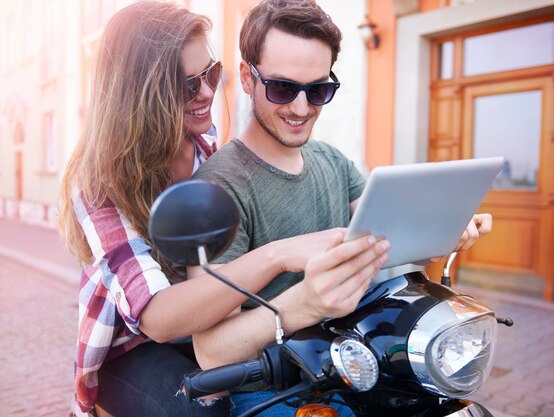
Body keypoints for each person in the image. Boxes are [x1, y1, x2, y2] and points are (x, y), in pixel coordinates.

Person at [59, 2, 389, 417]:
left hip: (203, 322)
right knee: (201, 409)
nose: (208, 94)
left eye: (211, 74)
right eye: (186, 85)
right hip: (136, 344)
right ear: (138, 93)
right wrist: (277, 255)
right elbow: (157, 317)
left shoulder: (206, 150)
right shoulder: (100, 183)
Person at [191, 0, 491, 415]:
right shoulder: (217, 188)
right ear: (246, 77)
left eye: (318, 90)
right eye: (282, 87)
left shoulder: (333, 161)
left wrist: (443, 231)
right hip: (275, 390)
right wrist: (305, 303)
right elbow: (210, 351)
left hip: (360, 368)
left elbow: (388, 242)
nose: (301, 107)